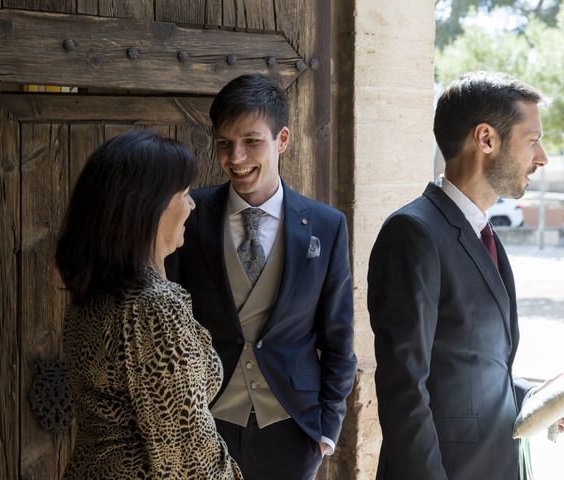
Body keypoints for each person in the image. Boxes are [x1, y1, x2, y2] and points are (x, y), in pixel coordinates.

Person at [367, 71, 560, 480]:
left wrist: (540, 398)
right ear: (486, 139)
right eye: (533, 140)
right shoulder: (413, 232)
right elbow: (404, 390)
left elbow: (473, 368)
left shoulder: (484, 233)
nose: (541, 157)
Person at [166, 74, 357, 480]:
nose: (236, 157)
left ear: (282, 140)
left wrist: (326, 430)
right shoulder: (190, 215)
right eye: (224, 143)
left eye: (251, 141)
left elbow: (338, 338)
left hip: (293, 428)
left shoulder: (326, 225)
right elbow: (171, 328)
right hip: (204, 425)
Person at [56, 130, 242, 479]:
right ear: (149, 206)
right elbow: (189, 454)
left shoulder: (96, 294)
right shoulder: (152, 310)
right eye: (184, 194)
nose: (192, 204)